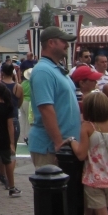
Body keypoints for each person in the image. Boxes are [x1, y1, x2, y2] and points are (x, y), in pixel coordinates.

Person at [28, 27, 82, 168]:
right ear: (51, 43)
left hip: (63, 147)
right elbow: (46, 109)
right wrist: (58, 144)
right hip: (50, 148)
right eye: (63, 41)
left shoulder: (55, 69)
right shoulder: (43, 70)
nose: (67, 45)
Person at [0, 82, 21, 199]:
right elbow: (10, 126)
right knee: (8, 162)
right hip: (5, 138)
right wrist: (12, 143)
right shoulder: (8, 106)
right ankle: (11, 187)